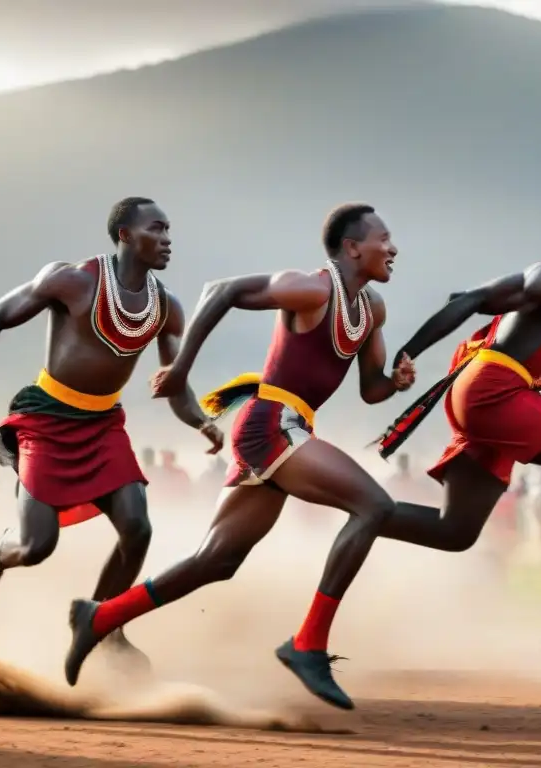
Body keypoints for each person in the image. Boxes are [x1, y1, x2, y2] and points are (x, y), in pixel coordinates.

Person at [64, 203, 415, 710]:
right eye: (385, 238)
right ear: (352, 247)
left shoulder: (372, 309)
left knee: (217, 561)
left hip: (289, 428)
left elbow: (370, 390)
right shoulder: (313, 289)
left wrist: (397, 383)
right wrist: (181, 369)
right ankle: (308, 645)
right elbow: (219, 291)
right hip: (271, 423)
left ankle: (98, 618)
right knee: (375, 507)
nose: (394, 248)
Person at [0, 197, 223, 662]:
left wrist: (201, 421)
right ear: (126, 235)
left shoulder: (165, 307)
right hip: (46, 418)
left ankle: (103, 626)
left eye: (170, 230)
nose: (169, 239)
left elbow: (174, 386)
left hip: (103, 424)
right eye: (158, 229)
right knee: (36, 545)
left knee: (137, 528)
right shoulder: (72, 280)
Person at [371, 200, 541, 656]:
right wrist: (407, 354)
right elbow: (468, 300)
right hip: (491, 393)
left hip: (492, 393)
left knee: (454, 531)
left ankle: (359, 507)